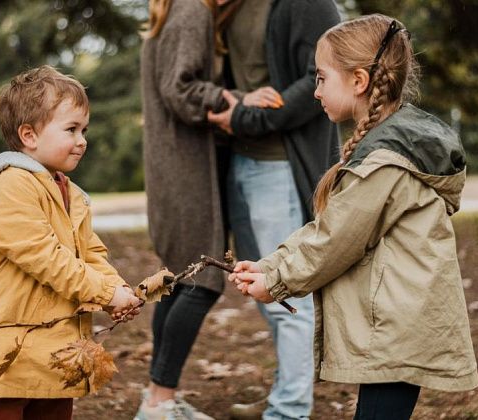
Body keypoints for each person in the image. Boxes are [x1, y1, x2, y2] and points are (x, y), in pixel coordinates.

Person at [229, 14, 478, 420]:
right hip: (397, 321)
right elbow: (330, 227)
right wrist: (270, 265)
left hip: (396, 326)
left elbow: (335, 240)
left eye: (322, 78)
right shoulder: (385, 148)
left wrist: (276, 281)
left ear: (359, 81)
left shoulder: (384, 161)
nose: (314, 91)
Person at [0, 65, 142, 419]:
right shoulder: (12, 187)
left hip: (57, 348)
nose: (82, 140)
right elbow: (47, 259)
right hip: (11, 352)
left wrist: (117, 288)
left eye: (84, 130)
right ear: (29, 135)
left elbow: (90, 253)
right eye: (71, 129)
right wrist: (106, 294)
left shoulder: (72, 194)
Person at [136, 1, 279, 419]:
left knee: (179, 280)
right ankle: (159, 401)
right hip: (185, 172)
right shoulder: (192, 11)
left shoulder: (177, 10)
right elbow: (179, 89)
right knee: (204, 280)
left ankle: (157, 399)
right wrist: (235, 98)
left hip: (174, 169)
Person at [207, 0, 341, 418]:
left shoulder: (307, 3)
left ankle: (289, 410)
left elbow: (315, 82)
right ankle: (286, 395)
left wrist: (247, 118)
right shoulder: (230, 6)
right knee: (263, 291)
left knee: (287, 296)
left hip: (279, 167)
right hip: (240, 162)